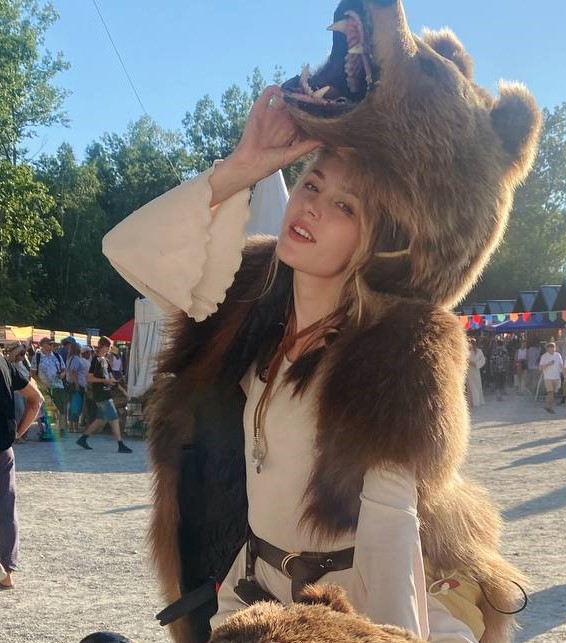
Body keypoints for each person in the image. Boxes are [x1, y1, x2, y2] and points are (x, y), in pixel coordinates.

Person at [104, 85, 531, 643]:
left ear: (373, 240)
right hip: (248, 591)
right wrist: (246, 165)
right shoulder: (246, 302)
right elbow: (127, 249)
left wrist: (386, 638)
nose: (312, 207)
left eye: (345, 206)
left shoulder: (395, 350)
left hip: (351, 602)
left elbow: (389, 525)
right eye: (311, 184)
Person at [0, 353, 43, 589]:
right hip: (3, 448)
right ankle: (6, 571)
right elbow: (36, 399)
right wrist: (17, 433)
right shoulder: (5, 364)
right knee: (6, 509)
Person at [75, 336, 132, 453]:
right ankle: (120, 444)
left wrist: (124, 391)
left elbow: (112, 379)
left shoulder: (105, 360)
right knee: (114, 417)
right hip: (100, 394)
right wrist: (105, 381)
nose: (110, 349)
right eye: (108, 347)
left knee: (101, 419)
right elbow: (89, 377)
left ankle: (83, 438)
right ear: (103, 346)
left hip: (106, 392)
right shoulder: (96, 360)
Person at [30, 337, 68, 435]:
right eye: (49, 344)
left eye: (52, 344)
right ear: (42, 344)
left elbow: (64, 369)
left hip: (57, 386)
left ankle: (62, 429)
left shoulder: (56, 356)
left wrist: (62, 374)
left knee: (61, 407)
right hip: (44, 388)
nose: (51, 346)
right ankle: (46, 430)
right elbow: (33, 373)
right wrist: (41, 384)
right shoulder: (37, 357)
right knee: (47, 409)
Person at [539, 342, 563, 414]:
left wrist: (564, 372)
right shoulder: (544, 356)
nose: (551, 350)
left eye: (552, 349)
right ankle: (551, 407)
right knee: (550, 392)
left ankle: (547, 405)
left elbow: (561, 365)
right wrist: (548, 364)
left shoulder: (558, 355)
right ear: (547, 349)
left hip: (556, 377)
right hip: (548, 377)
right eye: (549, 349)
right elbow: (540, 368)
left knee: (553, 393)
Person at [466, 338, 485, 407]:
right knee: (470, 386)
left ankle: (477, 401)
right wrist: (468, 363)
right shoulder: (466, 351)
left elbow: (483, 360)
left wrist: (476, 364)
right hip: (469, 371)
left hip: (476, 370)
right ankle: (471, 401)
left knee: (477, 385)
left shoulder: (479, 351)